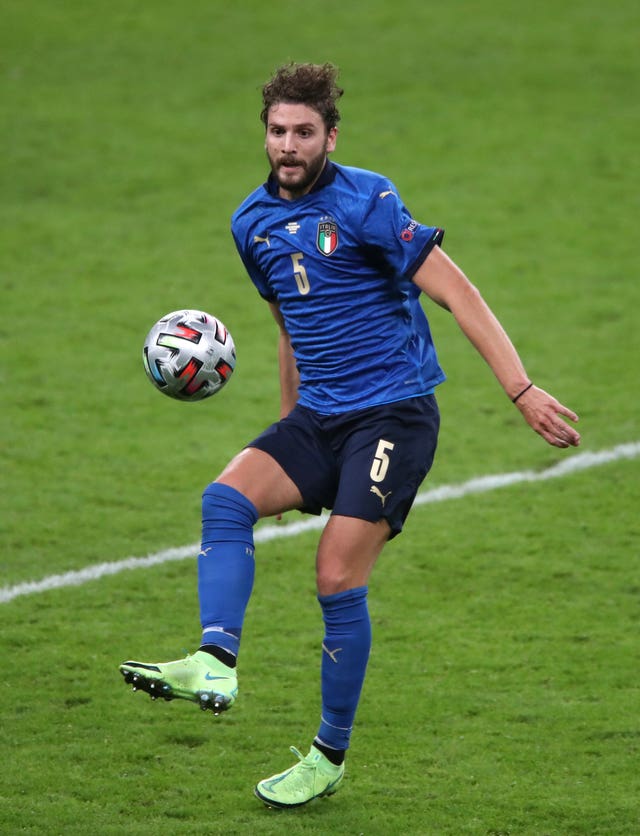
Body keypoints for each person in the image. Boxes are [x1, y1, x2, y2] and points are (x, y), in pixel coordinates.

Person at [120, 62, 580, 809]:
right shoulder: (250, 223)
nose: (289, 146)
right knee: (226, 499)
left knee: (335, 576)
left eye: (304, 132)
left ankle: (328, 755)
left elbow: (458, 292)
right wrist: (286, 425)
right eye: (277, 132)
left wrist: (520, 389)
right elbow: (288, 327)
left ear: (330, 136)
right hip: (320, 416)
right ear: (264, 135)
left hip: (395, 412)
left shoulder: (368, 200)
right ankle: (215, 660)